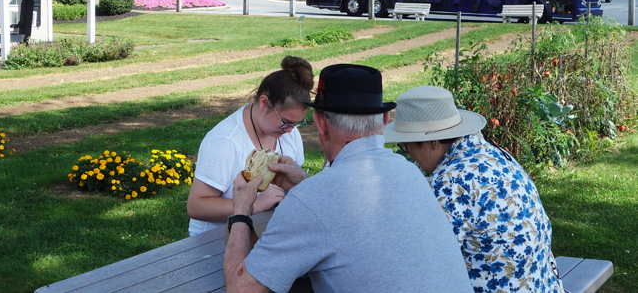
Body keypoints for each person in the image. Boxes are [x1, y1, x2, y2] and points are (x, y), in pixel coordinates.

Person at [224, 65, 473, 293]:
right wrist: (306, 185)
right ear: (385, 120)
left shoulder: (311, 200)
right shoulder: (409, 172)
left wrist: (241, 213)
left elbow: (241, 288)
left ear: (320, 123)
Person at [384, 86, 564, 293]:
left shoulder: (452, 182)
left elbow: (422, 259)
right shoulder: (491, 153)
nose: (409, 155)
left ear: (432, 142)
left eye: (406, 146)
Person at [186, 55, 313, 236]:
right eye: (285, 122)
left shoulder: (287, 134)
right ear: (263, 103)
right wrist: (253, 205)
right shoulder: (225, 141)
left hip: (265, 232)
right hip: (216, 240)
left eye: (296, 124)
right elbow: (196, 206)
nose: (290, 131)